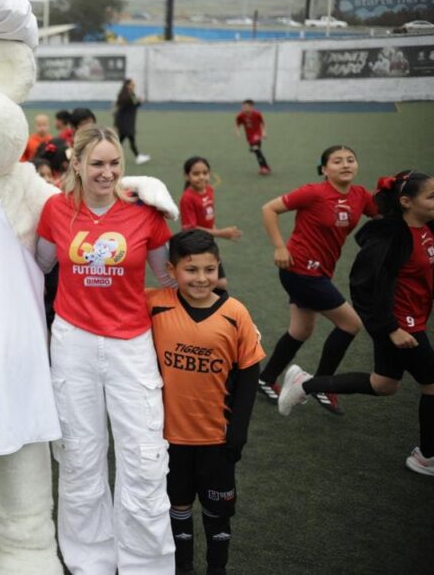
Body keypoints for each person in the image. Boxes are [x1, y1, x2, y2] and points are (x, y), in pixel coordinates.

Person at [35, 125, 175, 573]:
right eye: (97, 163)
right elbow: (37, 269)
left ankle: (145, 565)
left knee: (144, 456)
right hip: (72, 343)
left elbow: (168, 278)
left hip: (131, 344)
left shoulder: (146, 213)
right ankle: (88, 562)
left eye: (115, 163)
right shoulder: (56, 211)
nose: (107, 172)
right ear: (76, 164)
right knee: (79, 455)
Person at [279, 170, 434, 476]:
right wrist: (391, 328)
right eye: (430, 196)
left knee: (384, 384)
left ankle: (306, 384)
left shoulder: (426, 226)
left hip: (411, 321)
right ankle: (426, 457)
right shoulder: (388, 238)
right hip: (401, 326)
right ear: (406, 202)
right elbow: (364, 287)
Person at [147, 229, 265, 574]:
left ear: (218, 268)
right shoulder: (154, 303)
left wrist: (238, 432)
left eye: (209, 269)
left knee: (218, 513)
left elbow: (248, 375)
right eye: (191, 269)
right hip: (169, 439)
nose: (201, 278)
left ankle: (217, 567)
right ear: (171, 270)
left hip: (216, 438)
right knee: (177, 507)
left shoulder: (235, 313)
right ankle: (182, 566)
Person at [256, 145, 376, 415]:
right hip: (299, 270)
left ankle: (265, 379)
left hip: (321, 271)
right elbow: (269, 209)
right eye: (337, 161)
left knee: (301, 330)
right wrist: (279, 247)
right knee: (351, 324)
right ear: (324, 169)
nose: (345, 165)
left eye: (350, 160)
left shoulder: (360, 195)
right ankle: (321, 384)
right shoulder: (314, 192)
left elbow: (383, 216)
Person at [180, 156, 241, 290]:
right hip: (194, 246)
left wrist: (214, 235)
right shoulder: (187, 198)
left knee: (219, 283)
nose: (201, 177)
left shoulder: (209, 190)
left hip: (208, 242)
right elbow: (191, 229)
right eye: (196, 174)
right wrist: (221, 233)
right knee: (214, 283)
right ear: (187, 176)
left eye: (205, 173)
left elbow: (209, 218)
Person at [113, 78, 150, 165]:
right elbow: (119, 110)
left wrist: (139, 102)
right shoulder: (124, 96)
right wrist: (117, 123)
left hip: (129, 120)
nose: (134, 86)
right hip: (124, 122)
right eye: (132, 84)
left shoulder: (131, 94)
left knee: (121, 141)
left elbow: (133, 106)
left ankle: (113, 156)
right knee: (130, 138)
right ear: (127, 85)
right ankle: (137, 156)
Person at [235, 100, 270, 175]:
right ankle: (264, 167)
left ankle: (264, 168)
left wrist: (264, 132)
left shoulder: (257, 114)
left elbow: (262, 123)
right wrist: (237, 131)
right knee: (257, 152)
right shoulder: (241, 115)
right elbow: (237, 124)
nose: (243, 109)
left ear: (251, 107)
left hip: (257, 135)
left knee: (256, 149)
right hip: (249, 137)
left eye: (245, 107)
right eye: (243, 107)